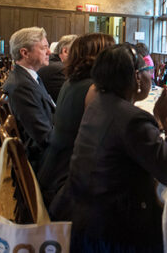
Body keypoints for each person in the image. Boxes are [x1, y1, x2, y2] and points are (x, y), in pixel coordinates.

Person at [64, 44, 167, 252]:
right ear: (136, 77)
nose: (151, 76)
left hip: (85, 222)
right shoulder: (132, 119)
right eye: (147, 71)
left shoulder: (100, 103)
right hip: (118, 234)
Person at [38, 33, 115, 209]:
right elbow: (107, 137)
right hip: (67, 179)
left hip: (53, 165)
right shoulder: (93, 88)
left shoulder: (73, 81)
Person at [2, 27, 55, 172]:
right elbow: (44, 137)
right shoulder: (22, 86)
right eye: (44, 48)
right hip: (42, 162)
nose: (49, 52)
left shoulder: (29, 77)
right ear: (25, 53)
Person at [38, 34, 77, 102]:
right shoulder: (59, 69)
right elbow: (70, 100)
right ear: (65, 51)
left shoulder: (51, 62)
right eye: (78, 52)